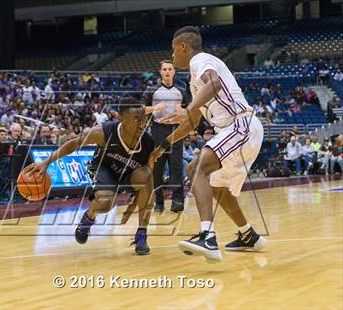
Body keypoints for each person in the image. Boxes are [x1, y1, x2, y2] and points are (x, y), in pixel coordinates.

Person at [150, 26, 267, 263]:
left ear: (183, 46)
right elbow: (193, 122)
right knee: (216, 186)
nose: (173, 57)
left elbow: (214, 84)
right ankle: (248, 235)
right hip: (239, 129)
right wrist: (164, 144)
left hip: (240, 124)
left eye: (174, 51)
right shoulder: (195, 81)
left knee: (195, 169)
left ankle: (208, 238)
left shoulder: (200, 60)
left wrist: (189, 108)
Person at [26, 98, 155, 255]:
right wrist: (46, 162)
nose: (142, 124)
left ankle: (141, 235)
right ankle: (89, 217)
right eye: (136, 119)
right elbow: (74, 144)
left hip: (129, 175)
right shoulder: (103, 133)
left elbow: (148, 182)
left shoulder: (148, 143)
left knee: (146, 175)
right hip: (105, 169)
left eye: (144, 119)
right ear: (120, 118)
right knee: (106, 204)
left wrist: (134, 204)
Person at [142, 60, 188, 212]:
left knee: (176, 168)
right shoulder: (151, 90)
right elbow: (140, 110)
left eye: (170, 69)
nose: (167, 71)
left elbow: (192, 113)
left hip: (176, 131)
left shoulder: (182, 90)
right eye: (164, 69)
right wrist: (155, 108)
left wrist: (182, 112)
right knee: (157, 170)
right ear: (160, 72)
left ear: (174, 71)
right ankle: (159, 203)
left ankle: (177, 201)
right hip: (157, 131)